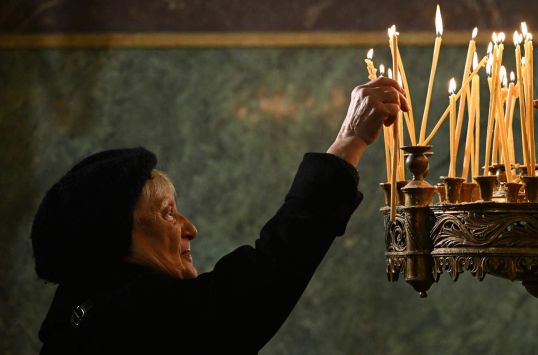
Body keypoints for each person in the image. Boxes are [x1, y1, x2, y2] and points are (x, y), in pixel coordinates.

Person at [31, 77, 409, 354]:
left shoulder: (80, 314)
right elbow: (262, 280)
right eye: (167, 213)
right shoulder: (124, 319)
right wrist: (349, 140)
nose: (190, 229)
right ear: (114, 234)